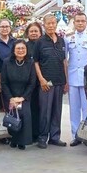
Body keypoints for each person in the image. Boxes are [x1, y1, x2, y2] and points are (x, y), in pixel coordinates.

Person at [33, 14, 68, 149]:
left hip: (59, 80)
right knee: (45, 111)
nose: (51, 25)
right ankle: (43, 137)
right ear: (44, 25)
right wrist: (41, 79)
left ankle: (55, 137)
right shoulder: (40, 42)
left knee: (57, 110)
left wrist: (66, 81)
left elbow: (64, 61)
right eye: (49, 23)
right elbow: (35, 62)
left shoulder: (60, 40)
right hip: (46, 82)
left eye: (53, 23)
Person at [1, 40, 37, 150]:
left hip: (25, 96)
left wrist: (23, 97)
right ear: (13, 50)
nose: (20, 50)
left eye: (23, 48)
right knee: (12, 118)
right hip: (10, 95)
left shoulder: (30, 63)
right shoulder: (7, 62)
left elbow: (32, 82)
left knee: (24, 116)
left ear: (26, 50)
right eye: (18, 48)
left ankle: (22, 141)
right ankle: (13, 139)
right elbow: (4, 82)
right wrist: (11, 98)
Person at [66, 13, 87, 146]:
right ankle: (75, 135)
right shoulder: (68, 38)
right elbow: (64, 58)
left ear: (86, 22)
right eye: (77, 21)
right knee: (74, 108)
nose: (80, 23)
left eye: (82, 21)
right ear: (74, 23)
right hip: (72, 77)